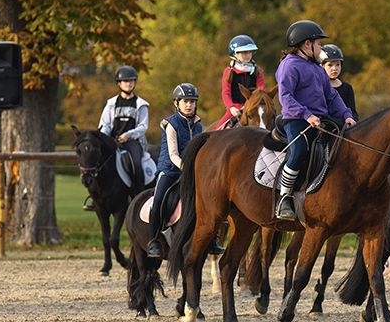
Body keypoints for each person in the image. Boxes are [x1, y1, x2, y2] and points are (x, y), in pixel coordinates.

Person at [274, 21, 356, 220]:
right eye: (318, 43)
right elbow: (285, 96)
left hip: (320, 119)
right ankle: (284, 197)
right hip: (296, 119)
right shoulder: (289, 66)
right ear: (305, 45)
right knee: (299, 151)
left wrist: (346, 115)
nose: (321, 48)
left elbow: (332, 96)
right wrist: (306, 115)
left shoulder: (317, 68)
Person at [147, 83, 224, 258]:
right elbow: (173, 154)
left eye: (192, 101)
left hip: (191, 172)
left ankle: (212, 238)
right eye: (185, 101)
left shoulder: (198, 125)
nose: (189, 105)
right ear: (177, 103)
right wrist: (187, 168)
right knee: (159, 200)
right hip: (170, 170)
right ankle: (153, 240)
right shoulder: (171, 124)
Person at [85, 65, 150, 211]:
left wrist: (128, 135)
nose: (129, 84)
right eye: (126, 81)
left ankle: (137, 196)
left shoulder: (141, 104)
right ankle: (96, 199)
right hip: (113, 142)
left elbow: (143, 127)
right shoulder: (111, 103)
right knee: (98, 164)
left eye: (132, 81)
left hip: (133, 142)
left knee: (137, 166)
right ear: (119, 84)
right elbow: (105, 124)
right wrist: (105, 138)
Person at [214, 34, 266, 130]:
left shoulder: (258, 71)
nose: (248, 55)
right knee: (218, 130)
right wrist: (231, 107)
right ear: (235, 54)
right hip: (235, 110)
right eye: (244, 52)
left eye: (250, 52)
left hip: (253, 108)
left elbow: (261, 91)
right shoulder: (229, 72)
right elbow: (226, 93)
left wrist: (249, 105)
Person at [320, 44, 358, 119]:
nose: (334, 68)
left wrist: (351, 119)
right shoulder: (318, 86)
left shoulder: (347, 88)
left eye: (338, 65)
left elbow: (353, 112)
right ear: (321, 66)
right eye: (330, 65)